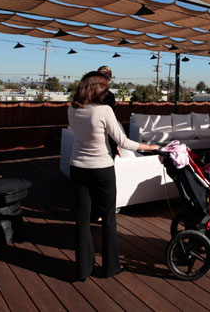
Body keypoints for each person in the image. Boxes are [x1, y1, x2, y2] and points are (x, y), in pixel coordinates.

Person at [67, 71, 158, 281]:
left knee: (82, 219)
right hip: (101, 169)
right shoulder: (104, 111)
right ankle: (110, 267)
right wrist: (151, 146)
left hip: (78, 167)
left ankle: (83, 269)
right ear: (96, 89)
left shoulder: (72, 109)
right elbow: (123, 142)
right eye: (105, 88)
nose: (107, 93)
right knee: (108, 217)